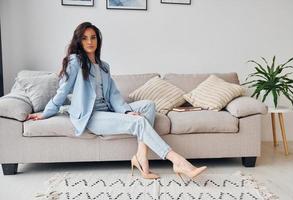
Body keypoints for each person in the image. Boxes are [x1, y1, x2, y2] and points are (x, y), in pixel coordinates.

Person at [27, 22, 206, 180]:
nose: (90, 42)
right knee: (139, 121)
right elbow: (63, 90)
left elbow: (113, 94)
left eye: (93, 38)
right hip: (92, 116)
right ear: (79, 41)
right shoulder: (75, 61)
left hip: (109, 111)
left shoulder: (104, 66)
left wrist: (127, 112)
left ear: (98, 40)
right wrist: (46, 113)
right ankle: (178, 161)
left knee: (149, 105)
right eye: (85, 38)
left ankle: (140, 156)